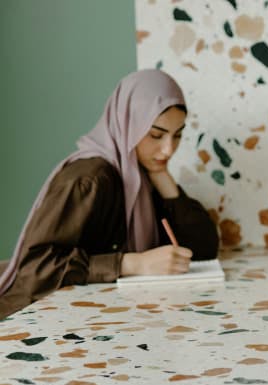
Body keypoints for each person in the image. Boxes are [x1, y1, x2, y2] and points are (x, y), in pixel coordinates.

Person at [0, 69, 218, 318]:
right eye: (156, 135)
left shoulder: (141, 174)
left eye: (177, 135)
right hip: (26, 322)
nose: (168, 149)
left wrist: (163, 178)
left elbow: (204, 250)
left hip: (92, 320)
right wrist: (132, 264)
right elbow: (35, 269)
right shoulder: (90, 179)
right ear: (127, 124)